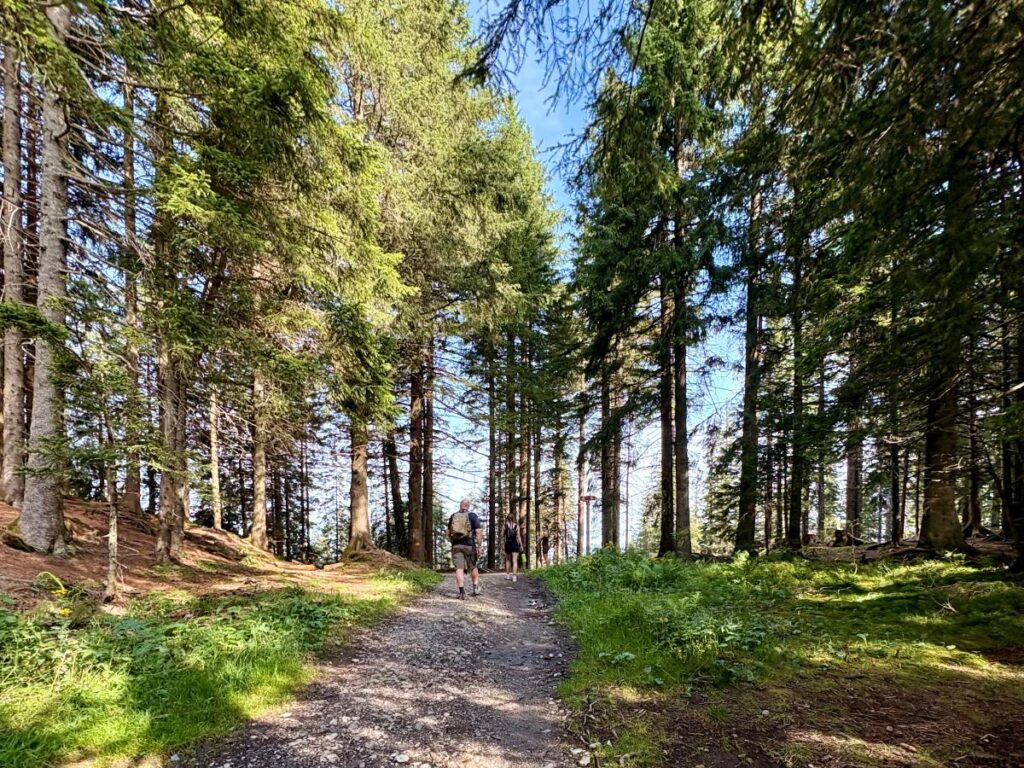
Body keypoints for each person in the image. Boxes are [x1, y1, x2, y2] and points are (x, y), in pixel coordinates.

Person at [448, 499, 482, 599]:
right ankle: (475, 588)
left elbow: (448, 533)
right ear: (468, 506)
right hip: (469, 545)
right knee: (473, 566)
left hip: (456, 545)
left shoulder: (453, 516)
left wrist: (453, 543)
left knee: (459, 568)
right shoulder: (472, 516)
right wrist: (479, 546)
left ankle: (462, 592)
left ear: (460, 505)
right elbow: (479, 532)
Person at [503, 514, 523, 583]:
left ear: (507, 518)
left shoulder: (505, 525)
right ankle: (514, 577)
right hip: (515, 544)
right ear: (513, 518)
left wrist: (502, 545)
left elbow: (502, 535)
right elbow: (518, 537)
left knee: (508, 560)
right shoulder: (517, 526)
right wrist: (521, 545)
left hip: (508, 544)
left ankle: (508, 576)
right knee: (515, 561)